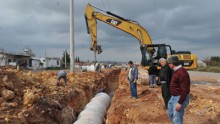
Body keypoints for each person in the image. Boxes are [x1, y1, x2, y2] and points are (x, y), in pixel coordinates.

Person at [167, 56, 190, 124]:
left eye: (169, 63)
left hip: (179, 97)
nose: (168, 65)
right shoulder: (176, 71)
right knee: (170, 114)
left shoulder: (182, 73)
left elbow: (185, 90)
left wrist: (180, 103)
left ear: (172, 64)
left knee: (177, 119)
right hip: (174, 97)